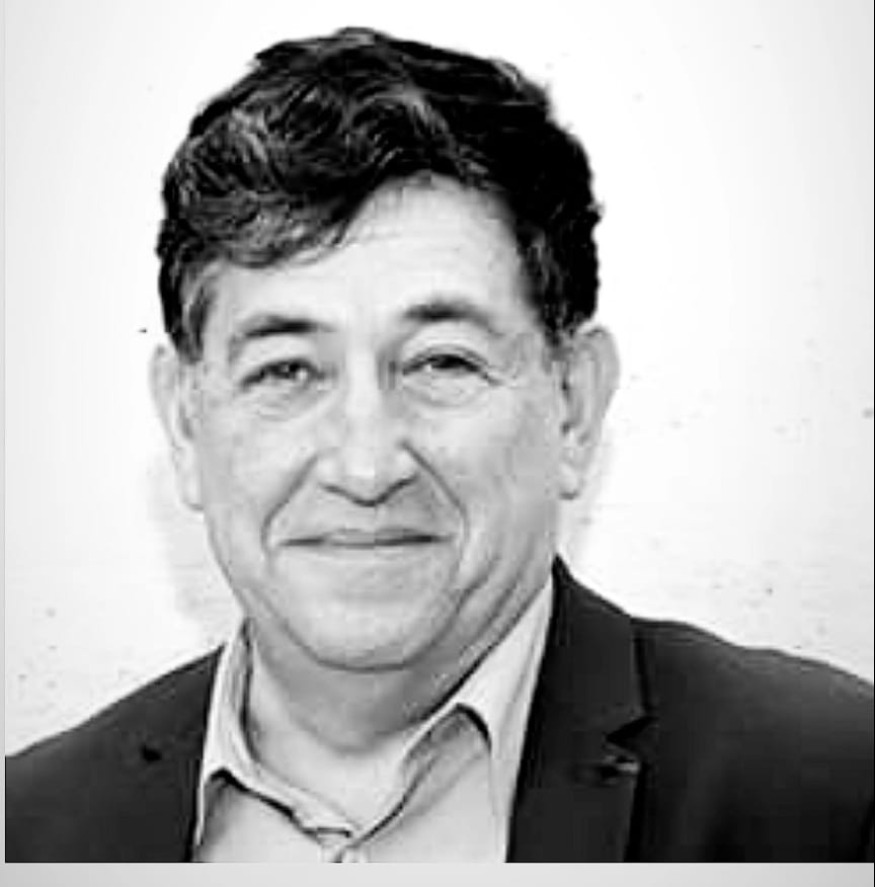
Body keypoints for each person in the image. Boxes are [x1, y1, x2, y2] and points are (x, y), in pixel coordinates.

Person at [5, 27, 872, 863]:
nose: (365, 466)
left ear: (573, 404)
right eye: (286, 370)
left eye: (440, 362)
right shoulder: (28, 829)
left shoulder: (830, 797)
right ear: (186, 422)